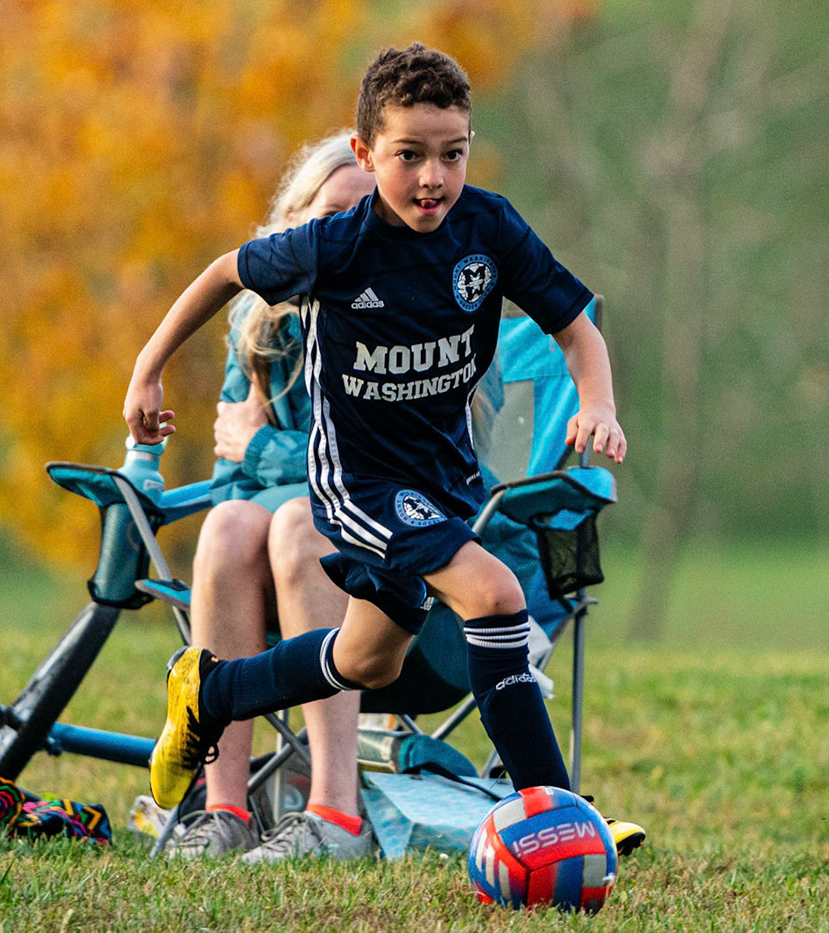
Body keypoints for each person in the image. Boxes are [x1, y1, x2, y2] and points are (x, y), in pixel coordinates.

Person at [124, 42, 643, 854]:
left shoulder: (489, 229)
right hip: (358, 484)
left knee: (365, 660)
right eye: (408, 156)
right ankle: (558, 812)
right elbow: (225, 273)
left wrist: (600, 404)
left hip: (445, 485)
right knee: (496, 593)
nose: (432, 178)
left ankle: (211, 690)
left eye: (451, 154)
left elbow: (576, 329)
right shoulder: (335, 245)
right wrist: (148, 370)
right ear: (369, 153)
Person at [166, 132, 378, 861]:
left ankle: (334, 812)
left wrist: (263, 448)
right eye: (331, 214)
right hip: (273, 583)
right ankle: (224, 809)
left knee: (295, 521)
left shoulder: (406, 321)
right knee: (227, 524)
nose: (348, 232)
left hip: (390, 578)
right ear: (296, 222)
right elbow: (231, 481)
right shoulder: (257, 324)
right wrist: (264, 462)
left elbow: (374, 464)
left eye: (367, 215)